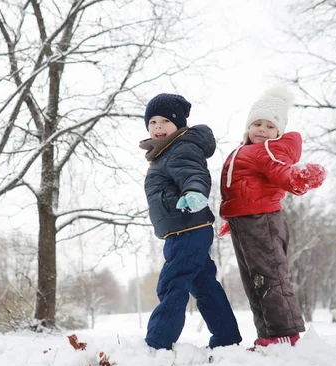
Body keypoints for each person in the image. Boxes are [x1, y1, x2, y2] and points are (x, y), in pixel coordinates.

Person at [218, 86, 326, 349]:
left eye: (270, 126)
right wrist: (231, 216)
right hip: (245, 221)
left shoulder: (267, 150)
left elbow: (280, 172)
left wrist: (298, 178)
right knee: (253, 280)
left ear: (278, 132)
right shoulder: (244, 151)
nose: (262, 130)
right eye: (257, 124)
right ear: (247, 127)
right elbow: (242, 187)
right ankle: (268, 334)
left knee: (269, 275)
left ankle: (284, 332)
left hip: (262, 220)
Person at [139, 93, 242, 350]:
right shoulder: (163, 153)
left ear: (179, 124)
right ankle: (227, 338)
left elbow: (193, 172)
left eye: (165, 121)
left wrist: (194, 191)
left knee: (173, 282)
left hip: (187, 227)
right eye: (152, 122)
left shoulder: (181, 147)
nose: (158, 127)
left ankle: (158, 342)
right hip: (183, 229)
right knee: (204, 284)